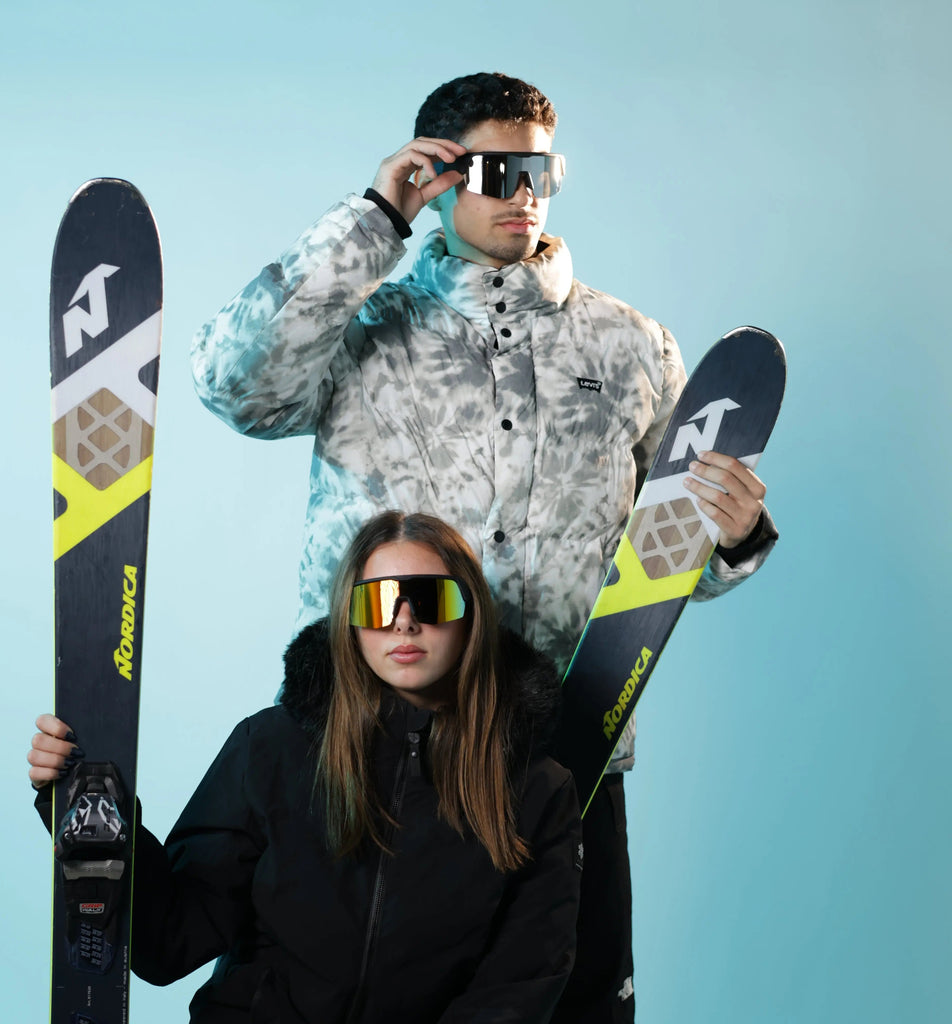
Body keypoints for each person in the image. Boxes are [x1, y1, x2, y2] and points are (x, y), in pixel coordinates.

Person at [190, 72, 778, 1021]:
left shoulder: (633, 348)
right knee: (338, 995)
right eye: (497, 171)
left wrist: (735, 539)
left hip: (569, 751)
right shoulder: (361, 330)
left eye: (542, 171)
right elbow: (231, 384)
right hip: (376, 752)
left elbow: (667, 568)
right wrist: (375, 216)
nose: (524, 194)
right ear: (439, 176)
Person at [29, 511, 583, 1024]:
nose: (404, 622)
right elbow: (169, 942)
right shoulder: (272, 746)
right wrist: (93, 813)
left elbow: (518, 986)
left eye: (430, 599)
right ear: (349, 619)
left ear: (471, 615)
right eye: (379, 602)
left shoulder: (539, 791)